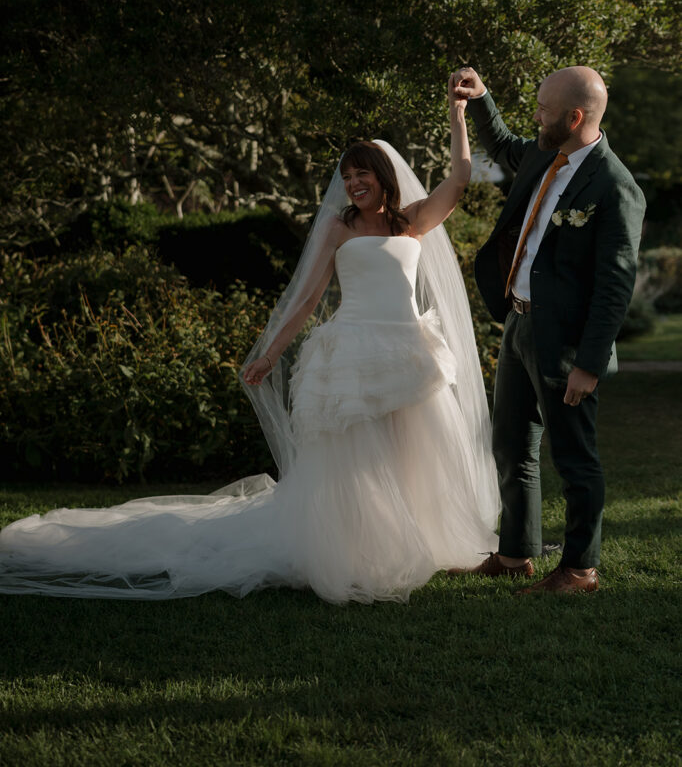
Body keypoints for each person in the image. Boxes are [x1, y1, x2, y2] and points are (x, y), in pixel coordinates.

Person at [0, 80, 499, 604]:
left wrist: (457, 113)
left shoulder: (411, 222)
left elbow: (460, 178)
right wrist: (270, 354)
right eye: (347, 176)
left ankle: (416, 539)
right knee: (353, 465)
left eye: (362, 174)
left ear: (383, 176)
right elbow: (306, 300)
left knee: (412, 459)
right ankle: (358, 550)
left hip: (407, 354)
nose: (353, 183)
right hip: (353, 353)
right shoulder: (339, 227)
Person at [450, 65, 646, 594]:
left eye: (544, 110)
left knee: (575, 458)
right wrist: (481, 97)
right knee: (512, 447)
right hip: (519, 322)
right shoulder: (544, 153)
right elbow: (503, 144)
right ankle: (515, 555)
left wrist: (588, 364)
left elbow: (614, 287)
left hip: (565, 345)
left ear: (575, 117)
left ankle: (580, 569)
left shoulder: (615, 187)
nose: (536, 117)